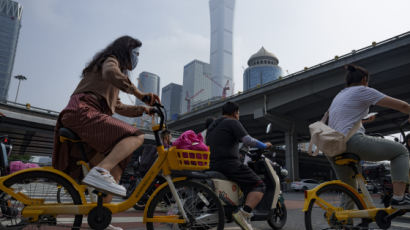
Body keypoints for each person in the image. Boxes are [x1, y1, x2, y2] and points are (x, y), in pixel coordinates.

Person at [52, 36, 160, 202]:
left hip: (83, 117)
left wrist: (144, 110)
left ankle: (101, 219)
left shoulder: (111, 81)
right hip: (83, 111)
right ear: (125, 51)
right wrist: (139, 94)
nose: (137, 57)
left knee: (115, 171)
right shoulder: (110, 60)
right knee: (136, 135)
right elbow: (110, 72)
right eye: (135, 53)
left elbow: (118, 107)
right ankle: (101, 170)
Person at [327, 64, 410, 208]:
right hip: (352, 142)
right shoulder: (362, 90)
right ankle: (399, 197)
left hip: (333, 148)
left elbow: (343, 120)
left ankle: (343, 223)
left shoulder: (340, 94)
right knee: (401, 152)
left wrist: (364, 120)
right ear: (365, 79)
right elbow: (403, 107)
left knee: (350, 190)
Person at [206, 101, 272, 230]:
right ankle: (244, 213)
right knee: (259, 185)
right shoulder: (232, 122)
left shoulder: (212, 126)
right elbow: (248, 140)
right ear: (235, 112)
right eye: (239, 113)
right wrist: (265, 145)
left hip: (212, 164)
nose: (239, 115)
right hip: (228, 164)